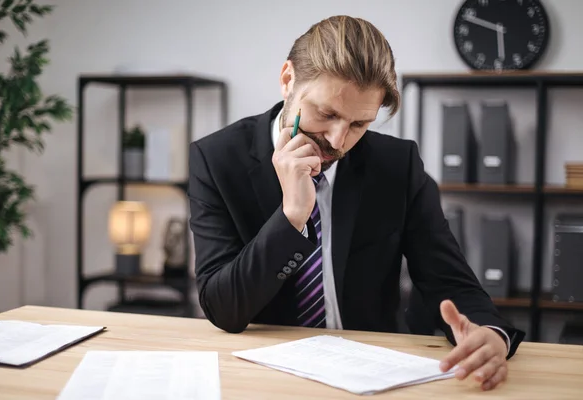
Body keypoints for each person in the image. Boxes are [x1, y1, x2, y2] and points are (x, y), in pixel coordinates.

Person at [188, 15, 525, 391]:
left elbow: (448, 279)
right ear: (287, 80)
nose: (338, 140)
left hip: (375, 371)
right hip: (263, 373)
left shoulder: (398, 165)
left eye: (360, 124)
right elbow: (223, 309)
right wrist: (291, 217)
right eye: (326, 114)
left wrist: (490, 333)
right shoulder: (216, 160)